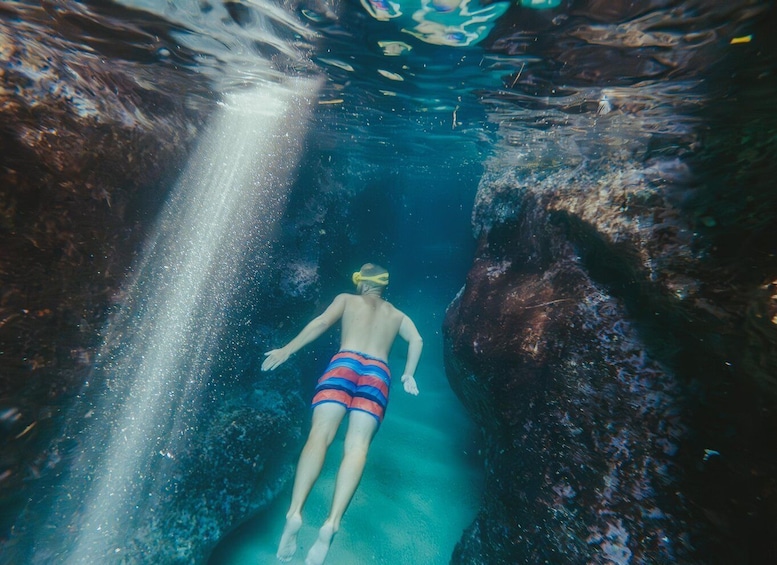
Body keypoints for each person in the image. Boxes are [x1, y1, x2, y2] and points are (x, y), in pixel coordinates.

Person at [262, 263, 423, 565]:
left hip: (344, 364)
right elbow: (417, 339)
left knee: (320, 436)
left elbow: (321, 323)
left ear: (362, 283)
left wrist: (287, 348)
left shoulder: (347, 299)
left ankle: (295, 513)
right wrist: (408, 373)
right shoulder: (398, 315)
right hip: (378, 372)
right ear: (383, 286)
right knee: (357, 447)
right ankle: (331, 524)